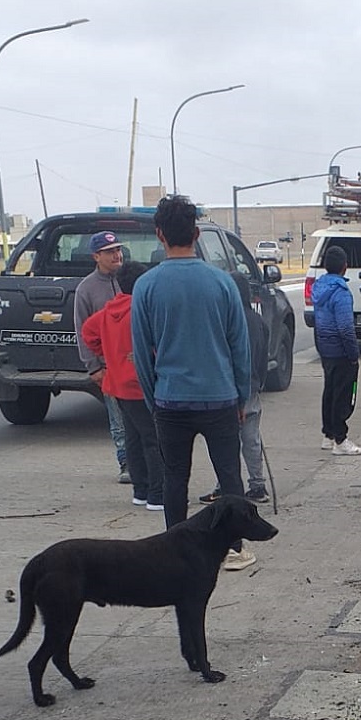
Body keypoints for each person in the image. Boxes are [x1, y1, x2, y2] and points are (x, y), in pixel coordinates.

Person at [131, 195, 251, 539]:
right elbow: (239, 347)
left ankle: (174, 547)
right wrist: (241, 396)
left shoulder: (146, 286)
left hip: (170, 401)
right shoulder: (222, 283)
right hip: (221, 399)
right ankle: (234, 547)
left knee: (175, 479)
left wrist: (154, 399)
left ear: (159, 234)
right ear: (197, 234)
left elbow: (141, 353)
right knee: (230, 476)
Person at [81, 261, 164, 511]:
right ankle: (157, 494)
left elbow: (88, 331)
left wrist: (105, 354)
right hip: (141, 383)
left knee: (133, 437)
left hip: (117, 383)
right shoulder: (142, 310)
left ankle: (140, 490)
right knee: (153, 438)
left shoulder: (108, 311)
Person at [199, 270, 271, 507]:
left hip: (229, 388)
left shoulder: (226, 319)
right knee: (251, 438)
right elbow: (263, 356)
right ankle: (257, 485)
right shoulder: (258, 320)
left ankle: (225, 486)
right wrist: (258, 382)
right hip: (252, 386)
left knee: (227, 440)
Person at [74, 230, 130, 482]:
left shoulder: (129, 280)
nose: (116, 255)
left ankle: (146, 461)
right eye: (109, 252)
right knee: (117, 418)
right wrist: (94, 367)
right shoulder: (86, 289)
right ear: (96, 256)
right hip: (108, 367)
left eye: (118, 250)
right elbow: (82, 330)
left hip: (134, 365)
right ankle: (126, 462)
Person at [312, 245, 361, 455]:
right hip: (341, 350)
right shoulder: (341, 292)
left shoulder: (318, 288)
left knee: (330, 390)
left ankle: (329, 434)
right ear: (345, 267)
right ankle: (341, 440)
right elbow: (345, 327)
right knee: (343, 394)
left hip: (325, 348)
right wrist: (353, 354)